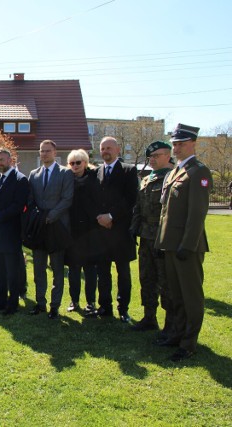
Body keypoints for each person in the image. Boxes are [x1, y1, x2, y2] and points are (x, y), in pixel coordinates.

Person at [156, 123, 212, 362]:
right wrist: (162, 243)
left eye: (181, 143)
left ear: (193, 143)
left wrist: (187, 245)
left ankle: (189, 343)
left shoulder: (199, 171)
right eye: (174, 143)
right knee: (175, 295)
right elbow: (165, 212)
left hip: (186, 246)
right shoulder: (174, 171)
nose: (176, 147)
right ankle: (177, 334)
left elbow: (197, 213)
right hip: (170, 244)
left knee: (190, 296)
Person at [89, 136, 138, 322]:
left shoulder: (128, 170)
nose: (105, 151)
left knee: (123, 273)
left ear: (118, 150)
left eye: (109, 147)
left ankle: (123, 308)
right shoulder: (96, 172)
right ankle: (105, 307)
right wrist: (99, 217)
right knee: (103, 272)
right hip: (101, 232)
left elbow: (130, 199)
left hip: (121, 232)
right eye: (102, 148)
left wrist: (111, 217)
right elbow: (92, 199)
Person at [129, 141, 174, 332]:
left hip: (163, 238)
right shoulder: (147, 179)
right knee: (146, 278)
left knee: (166, 281)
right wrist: (133, 229)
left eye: (156, 156)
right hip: (146, 237)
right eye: (151, 157)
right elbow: (138, 208)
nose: (153, 160)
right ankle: (149, 317)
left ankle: (170, 325)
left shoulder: (172, 178)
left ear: (167, 156)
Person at [27, 140, 74, 319]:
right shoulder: (34, 174)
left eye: (48, 151)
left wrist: (51, 215)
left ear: (55, 152)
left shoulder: (65, 173)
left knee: (57, 270)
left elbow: (67, 199)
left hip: (58, 226)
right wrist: (39, 217)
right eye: (42, 151)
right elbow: (30, 199)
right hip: (40, 227)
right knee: (38, 269)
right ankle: (40, 304)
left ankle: (55, 306)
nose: (44, 154)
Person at [0, 148, 30, 316]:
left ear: (10, 160)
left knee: (12, 273)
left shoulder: (20, 179)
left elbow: (18, 206)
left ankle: (13, 304)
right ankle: (0, 301)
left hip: (11, 233)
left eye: (1, 160)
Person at [65, 149, 102, 315]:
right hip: (72, 232)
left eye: (78, 162)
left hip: (90, 231)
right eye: (72, 163)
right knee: (73, 269)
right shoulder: (68, 180)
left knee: (90, 269)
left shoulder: (95, 178)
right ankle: (74, 300)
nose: (75, 166)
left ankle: (91, 302)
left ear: (85, 163)